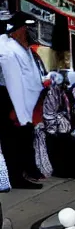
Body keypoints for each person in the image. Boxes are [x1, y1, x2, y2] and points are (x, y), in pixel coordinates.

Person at [0, 12, 45, 189]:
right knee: (11, 140)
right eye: (26, 29)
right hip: (7, 98)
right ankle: (16, 177)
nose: (29, 33)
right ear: (17, 31)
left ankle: (24, 172)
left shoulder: (22, 50)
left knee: (22, 137)